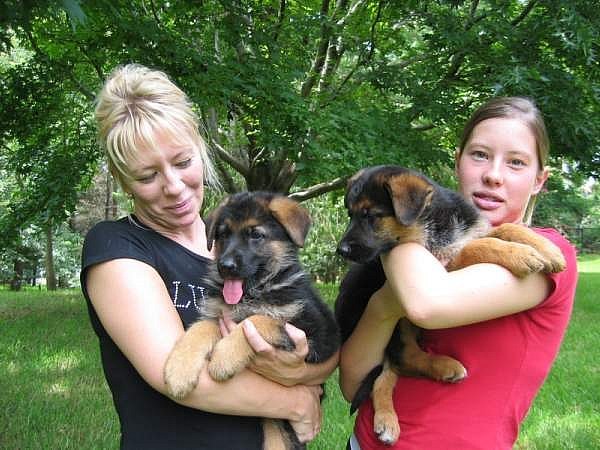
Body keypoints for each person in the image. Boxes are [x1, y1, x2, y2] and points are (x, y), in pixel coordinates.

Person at [81, 63, 338, 449]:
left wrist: (298, 371)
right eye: (147, 176)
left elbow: (324, 353)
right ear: (122, 181)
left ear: (200, 150)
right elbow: (177, 376)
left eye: (183, 162)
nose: (173, 186)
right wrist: (296, 401)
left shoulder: (233, 243)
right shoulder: (117, 247)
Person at [339, 96, 578, 449]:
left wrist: (398, 246)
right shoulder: (404, 238)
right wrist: (383, 305)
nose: (493, 175)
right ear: (458, 161)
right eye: (479, 154)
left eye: (516, 162)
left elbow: (427, 303)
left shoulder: (547, 255)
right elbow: (351, 383)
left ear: (539, 180)